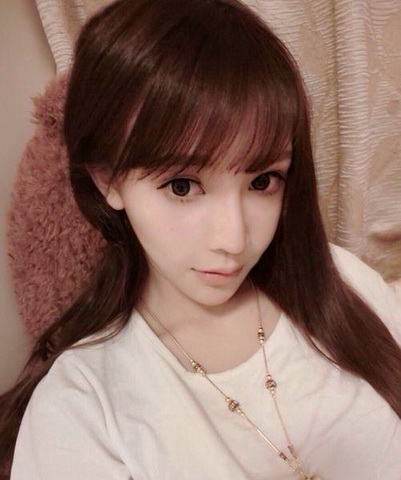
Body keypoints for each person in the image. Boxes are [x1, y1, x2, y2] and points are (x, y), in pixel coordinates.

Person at [0, 0, 400, 478]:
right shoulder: (81, 409)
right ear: (108, 179)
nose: (233, 239)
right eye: (182, 186)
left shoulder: (342, 281)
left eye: (262, 181)